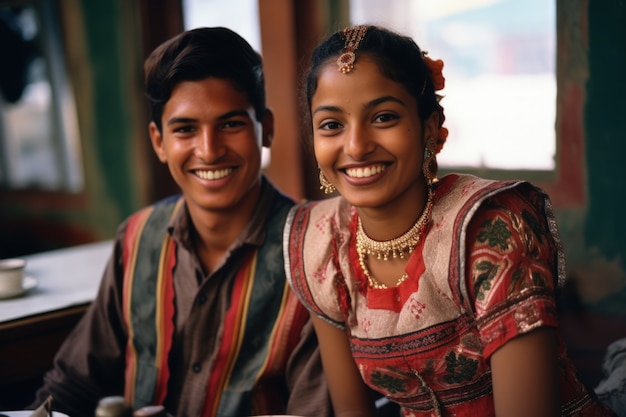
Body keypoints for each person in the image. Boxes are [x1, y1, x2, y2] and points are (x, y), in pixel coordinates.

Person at [283, 24, 617, 417]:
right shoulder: (323, 242)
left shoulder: (490, 228)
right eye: (332, 125)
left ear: (429, 128)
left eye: (384, 117)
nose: (355, 146)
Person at [30, 27, 331, 417]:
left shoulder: (315, 254)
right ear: (158, 142)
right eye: (185, 129)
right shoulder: (137, 239)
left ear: (266, 129)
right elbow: (74, 383)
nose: (208, 150)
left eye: (230, 124)